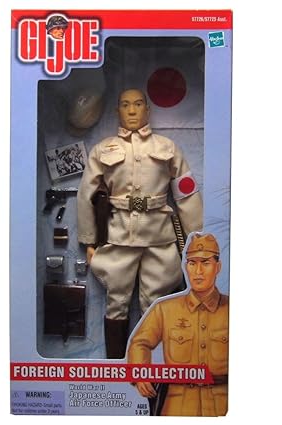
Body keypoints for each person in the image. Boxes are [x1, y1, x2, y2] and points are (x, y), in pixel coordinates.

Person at [77, 89, 203, 358]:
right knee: (116, 301)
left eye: (137, 104)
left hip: (159, 237)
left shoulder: (167, 147)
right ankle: (116, 365)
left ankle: (152, 365)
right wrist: (89, 241)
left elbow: (186, 193)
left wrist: (196, 239)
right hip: (118, 236)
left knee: (155, 302)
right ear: (117, 111)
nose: (132, 110)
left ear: (148, 109)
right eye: (125, 105)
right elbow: (87, 194)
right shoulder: (103, 149)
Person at [127, 233, 229, 416]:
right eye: (192, 263)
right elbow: (140, 342)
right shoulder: (165, 309)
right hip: (177, 405)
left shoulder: (231, 310)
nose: (198, 271)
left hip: (223, 402)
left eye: (205, 263)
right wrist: (140, 372)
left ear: (218, 267)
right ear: (185, 266)